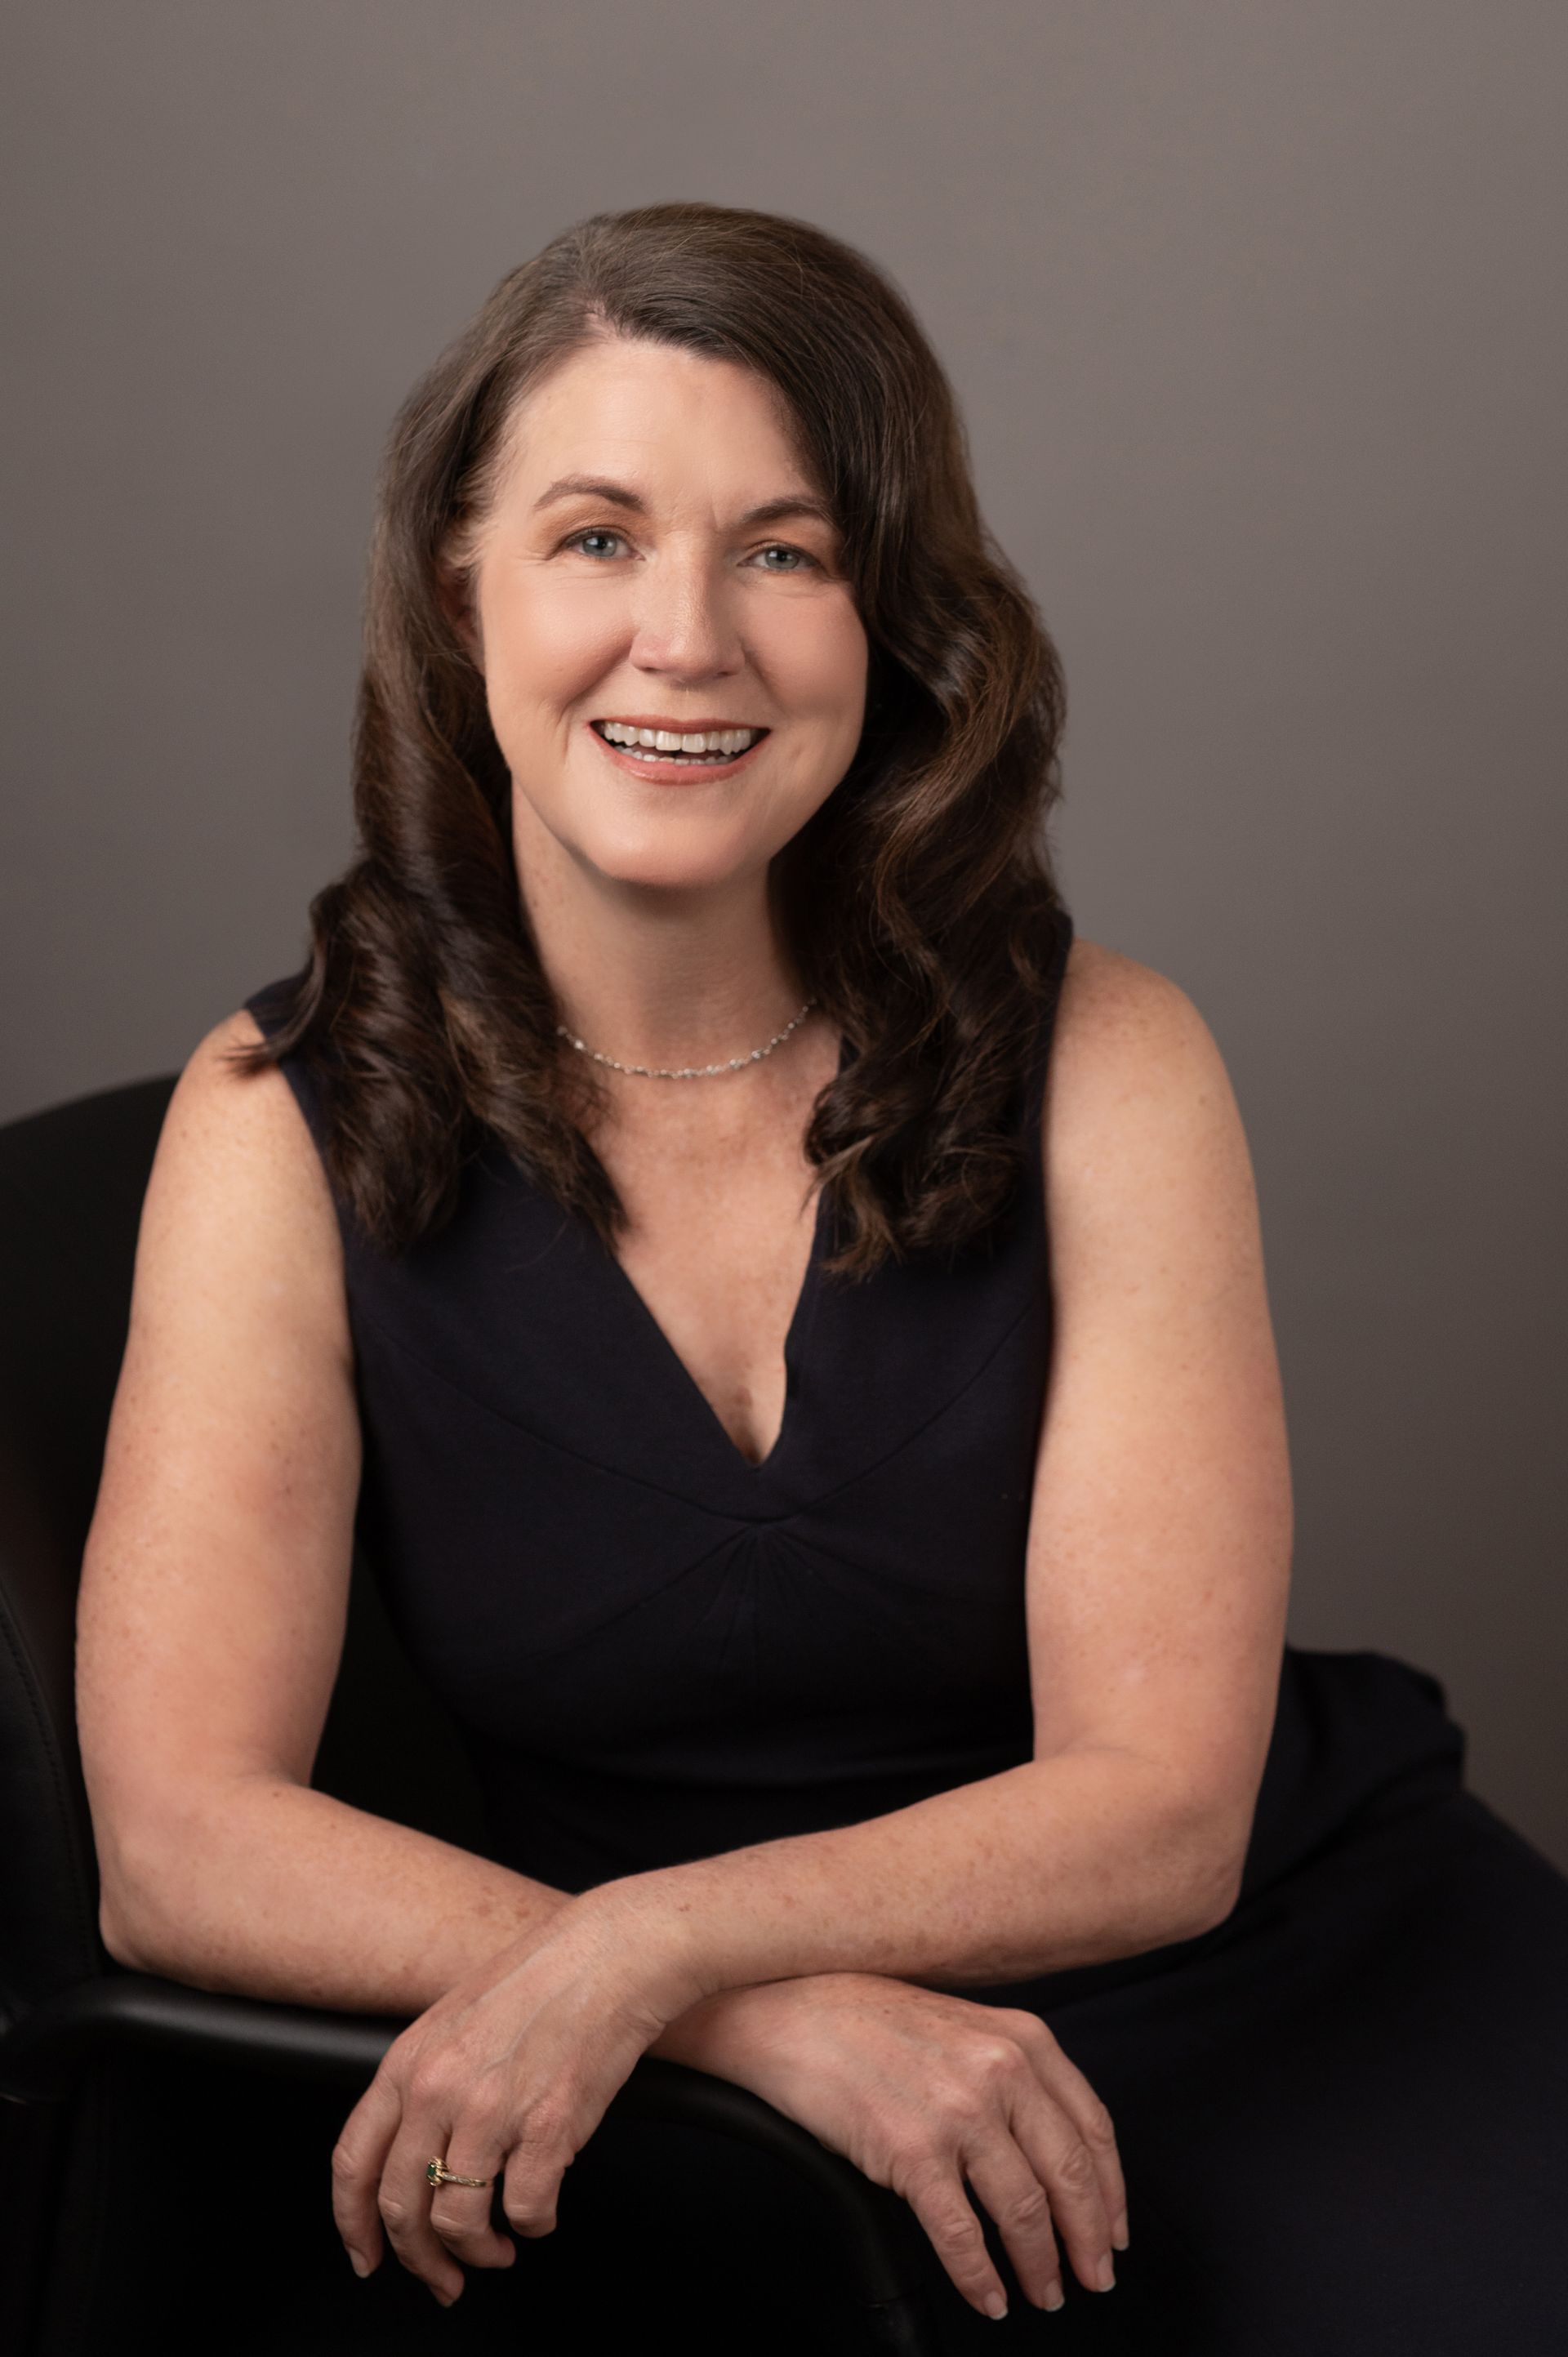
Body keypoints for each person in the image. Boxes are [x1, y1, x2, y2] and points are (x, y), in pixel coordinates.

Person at [74, 200, 1568, 2356]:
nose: (687, 638)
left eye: (783, 549)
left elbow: (1160, 1812)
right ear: (454, 585)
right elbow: (180, 1849)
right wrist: (747, 2024)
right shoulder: (274, 1124)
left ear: (892, 619)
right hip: (710, 2107)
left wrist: (640, 1955)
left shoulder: (1110, 1062)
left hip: (1278, 1978)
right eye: (597, 537)